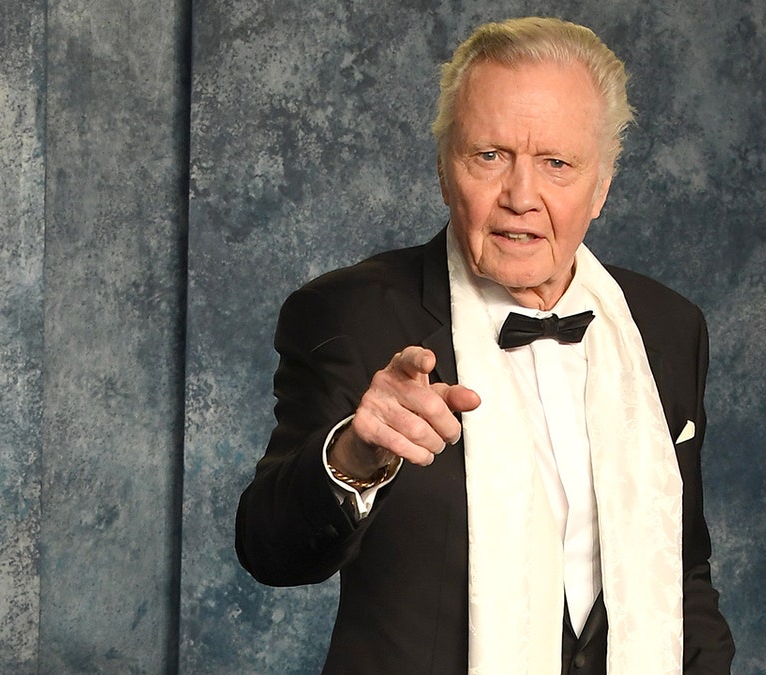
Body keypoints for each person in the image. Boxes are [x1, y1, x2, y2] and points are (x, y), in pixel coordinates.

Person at [235, 16, 736, 674]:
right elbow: (271, 549)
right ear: (446, 169)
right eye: (489, 156)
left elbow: (682, 572)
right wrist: (354, 457)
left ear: (603, 184)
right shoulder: (350, 315)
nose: (520, 197)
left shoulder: (668, 327)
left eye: (556, 163)